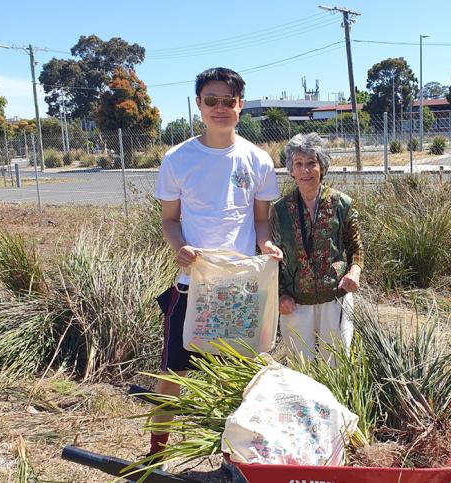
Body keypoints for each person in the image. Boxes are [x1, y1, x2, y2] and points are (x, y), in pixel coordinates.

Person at [150, 67, 282, 461]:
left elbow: (261, 219)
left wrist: (267, 244)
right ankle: (156, 453)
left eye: (229, 101)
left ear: (241, 106)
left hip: (239, 289)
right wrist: (180, 248)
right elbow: (169, 221)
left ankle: (233, 460)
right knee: (171, 376)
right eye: (212, 101)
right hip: (192, 284)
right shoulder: (177, 159)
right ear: (199, 105)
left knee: (236, 379)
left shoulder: (257, 160)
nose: (220, 108)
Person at [272, 133, 363, 363]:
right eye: (298, 164)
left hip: (335, 299)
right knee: (301, 369)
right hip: (295, 304)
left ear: (322, 166)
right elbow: (270, 258)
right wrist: (280, 294)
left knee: (336, 364)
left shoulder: (342, 203)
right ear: (291, 170)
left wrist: (354, 272)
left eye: (311, 163)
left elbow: (356, 247)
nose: (305, 171)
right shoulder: (280, 210)